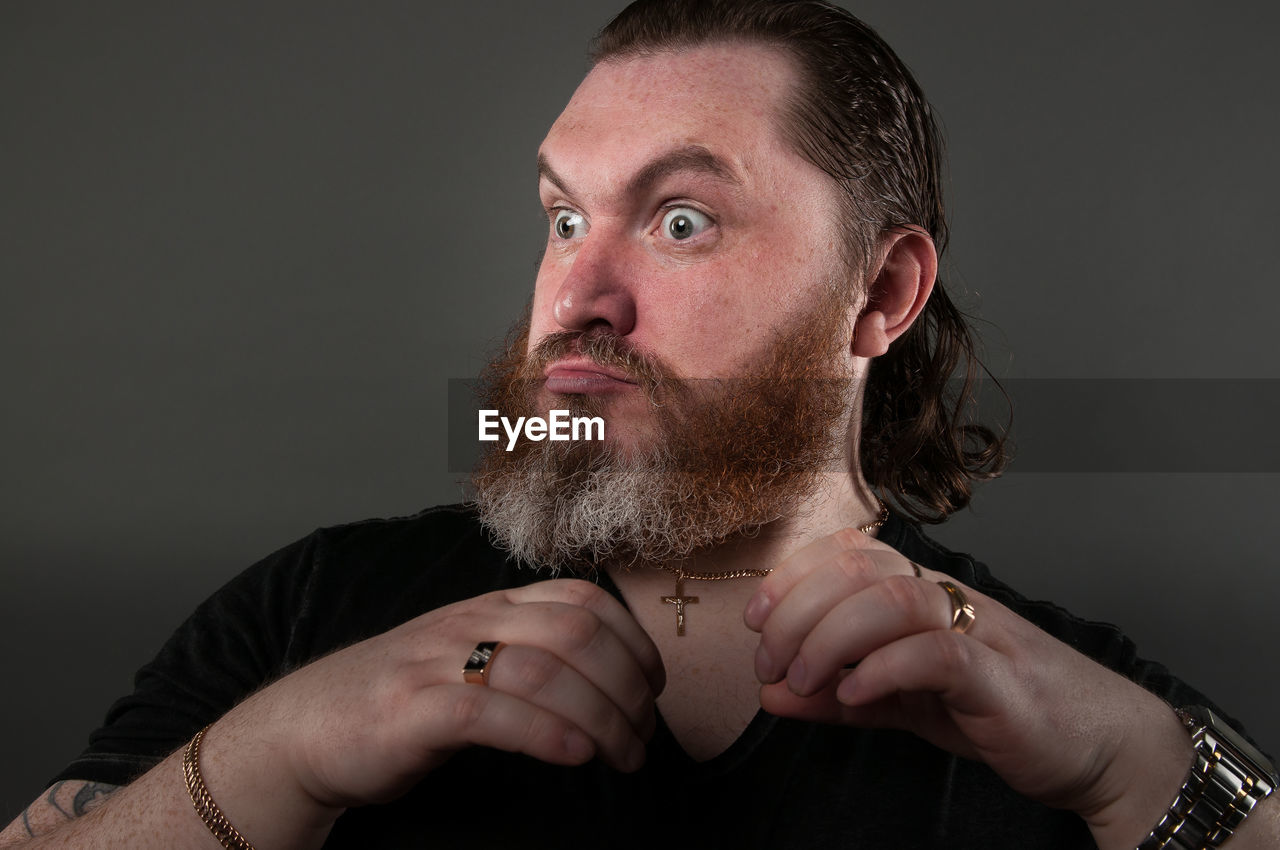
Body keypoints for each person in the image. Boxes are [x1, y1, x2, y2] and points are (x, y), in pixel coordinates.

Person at [3, 1, 1276, 848]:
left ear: (878, 294)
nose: (575, 296)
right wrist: (287, 748)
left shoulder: (1062, 710)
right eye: (563, 218)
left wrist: (1129, 772)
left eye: (679, 221)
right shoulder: (316, 608)